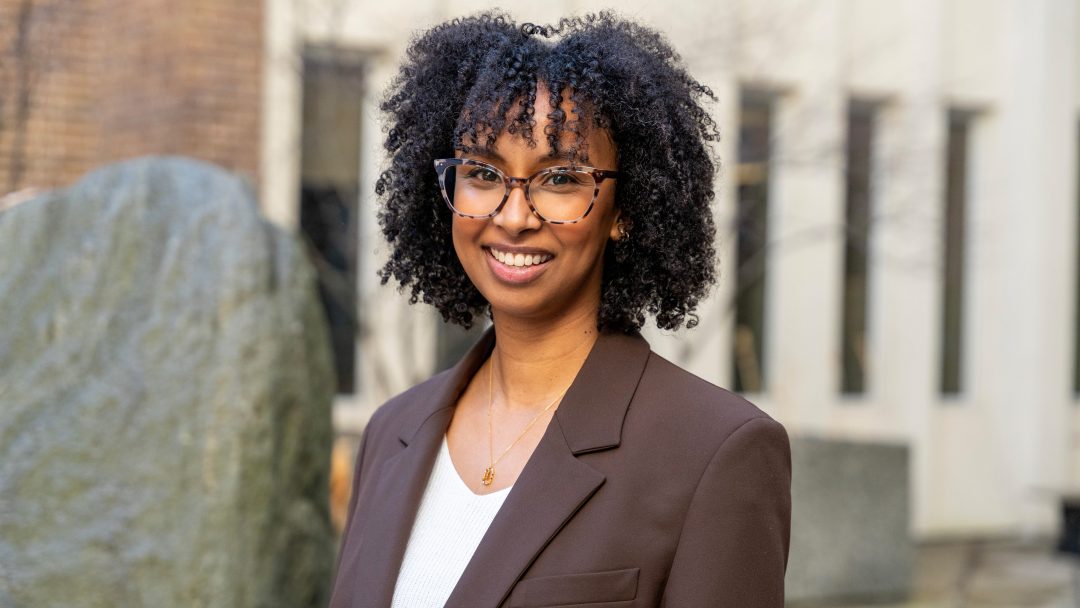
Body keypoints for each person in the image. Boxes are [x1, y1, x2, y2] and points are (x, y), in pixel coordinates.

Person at [329, 12, 791, 608]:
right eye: (481, 172)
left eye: (561, 179)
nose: (514, 216)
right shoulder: (391, 432)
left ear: (625, 209)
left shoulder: (715, 452)